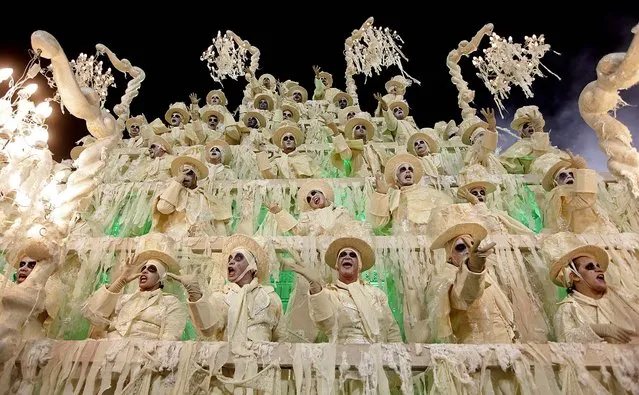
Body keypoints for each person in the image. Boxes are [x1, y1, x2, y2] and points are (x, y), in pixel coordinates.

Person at [82, 233, 187, 340]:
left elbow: (170, 339)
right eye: (143, 268)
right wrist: (120, 282)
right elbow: (93, 316)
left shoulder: (170, 302)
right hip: (111, 346)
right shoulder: (124, 299)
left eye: (151, 269)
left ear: (161, 277)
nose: (145, 271)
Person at [544, 231, 639, 343]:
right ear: (574, 276)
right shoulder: (568, 309)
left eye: (598, 266)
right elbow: (565, 341)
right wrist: (598, 330)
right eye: (590, 267)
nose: (598, 269)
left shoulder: (621, 297)